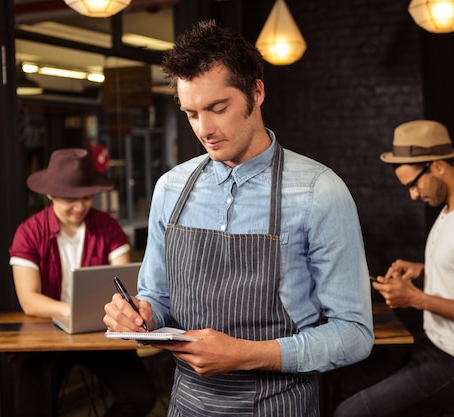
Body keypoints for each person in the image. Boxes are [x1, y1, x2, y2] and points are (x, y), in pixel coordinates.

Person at [103, 20, 374, 417]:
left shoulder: (320, 192)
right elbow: (157, 297)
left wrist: (247, 355)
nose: (204, 130)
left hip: (280, 405)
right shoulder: (171, 189)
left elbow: (354, 334)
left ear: (257, 92)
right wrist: (141, 316)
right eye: (191, 113)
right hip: (187, 404)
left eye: (217, 108)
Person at [333, 120, 454, 417]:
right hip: (435, 347)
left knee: (349, 413)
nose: (413, 195)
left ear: (439, 165)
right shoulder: (450, 210)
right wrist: (422, 270)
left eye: (414, 184)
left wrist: (416, 299)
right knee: (346, 384)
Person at [8, 148, 156, 417]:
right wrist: (74, 311)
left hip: (99, 330)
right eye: (69, 199)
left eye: (87, 198)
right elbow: (29, 300)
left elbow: (125, 279)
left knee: (140, 396)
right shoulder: (28, 232)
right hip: (48, 333)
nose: (79, 207)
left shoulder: (108, 227)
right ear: (50, 194)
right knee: (30, 410)